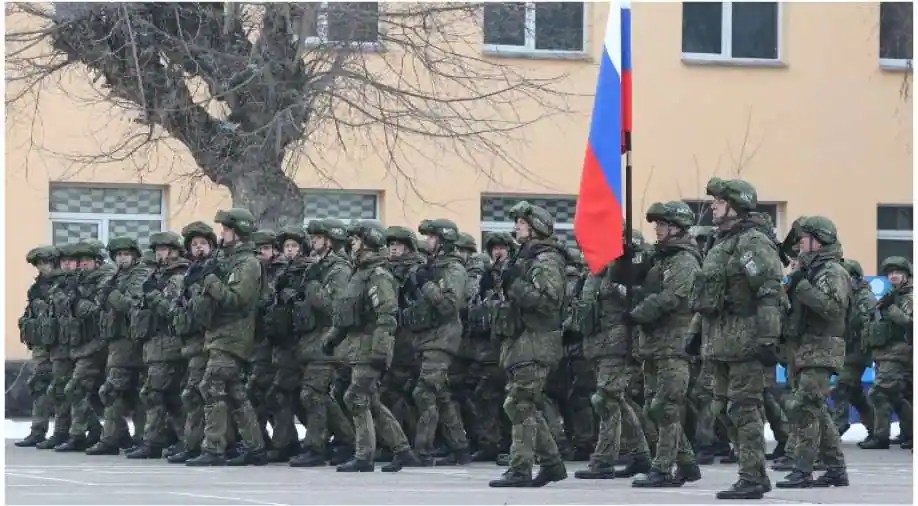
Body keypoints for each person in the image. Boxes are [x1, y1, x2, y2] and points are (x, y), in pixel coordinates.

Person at [685, 177, 785, 500]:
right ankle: (750, 472)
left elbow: (769, 291)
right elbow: (708, 296)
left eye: (719, 201)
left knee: (744, 409)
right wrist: (694, 334)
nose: (713, 206)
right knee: (723, 410)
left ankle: (753, 476)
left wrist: (768, 337)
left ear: (735, 205)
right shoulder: (721, 243)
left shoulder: (751, 242)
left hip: (745, 342)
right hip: (720, 342)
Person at [320, 220, 420, 472]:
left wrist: (380, 350)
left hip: (370, 347)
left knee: (355, 397)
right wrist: (332, 338)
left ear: (368, 242)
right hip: (357, 347)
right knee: (370, 401)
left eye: (355, 240)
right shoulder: (359, 274)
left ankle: (364, 456)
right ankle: (402, 450)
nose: (351, 244)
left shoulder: (378, 275)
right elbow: (345, 315)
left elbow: (387, 315)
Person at [488, 201, 567, 488]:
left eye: (521, 223)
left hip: (537, 342)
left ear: (536, 227)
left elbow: (548, 302)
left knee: (520, 403)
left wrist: (515, 285)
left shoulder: (546, 259)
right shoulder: (524, 257)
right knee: (522, 405)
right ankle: (552, 464)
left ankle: (520, 468)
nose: (516, 227)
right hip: (521, 342)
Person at [186, 208, 267, 466]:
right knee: (235, 393)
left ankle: (214, 448)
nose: (222, 234)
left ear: (239, 232)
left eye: (227, 229)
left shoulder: (248, 264)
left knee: (211, 387)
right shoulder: (228, 260)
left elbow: (236, 299)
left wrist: (209, 279)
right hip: (220, 334)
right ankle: (255, 448)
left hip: (233, 336)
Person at [631, 201, 702, 487]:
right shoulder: (660, 258)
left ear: (677, 227)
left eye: (662, 224)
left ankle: (662, 468)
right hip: (654, 344)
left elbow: (672, 297)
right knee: (653, 407)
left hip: (675, 344)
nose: (657, 229)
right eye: (657, 224)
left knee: (667, 407)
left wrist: (638, 311)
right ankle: (686, 463)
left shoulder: (684, 260)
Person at [573, 231, 652, 480]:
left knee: (605, 398)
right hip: (598, 344)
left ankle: (604, 460)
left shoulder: (622, 266)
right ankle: (641, 455)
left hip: (618, 342)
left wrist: (624, 271)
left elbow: (638, 298)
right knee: (616, 398)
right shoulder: (593, 271)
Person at [777, 216, 849, 488]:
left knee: (804, 407)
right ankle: (836, 470)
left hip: (823, 347)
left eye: (805, 239)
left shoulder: (832, 271)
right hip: (805, 348)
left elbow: (833, 308)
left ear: (819, 241)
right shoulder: (808, 271)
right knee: (817, 409)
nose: (800, 244)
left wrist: (802, 286)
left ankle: (803, 469)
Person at [404, 219, 470, 465]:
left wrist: (427, 285)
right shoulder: (433, 266)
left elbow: (449, 305)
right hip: (428, 339)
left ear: (443, 241)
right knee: (440, 395)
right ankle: (460, 448)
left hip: (443, 339)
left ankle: (422, 450)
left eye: (432, 237)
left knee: (424, 393)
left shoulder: (454, 268)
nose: (428, 241)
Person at [87, 237, 151, 455]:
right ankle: (118, 437)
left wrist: (111, 294)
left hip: (132, 342)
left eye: (126, 254)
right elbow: (100, 305)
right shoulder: (116, 277)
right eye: (119, 255)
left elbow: (129, 304)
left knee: (127, 392)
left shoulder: (140, 274)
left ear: (135, 256)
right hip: (117, 343)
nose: (122, 258)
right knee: (116, 392)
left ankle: (133, 437)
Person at [128, 232, 189, 459]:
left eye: (164, 249)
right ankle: (182, 440)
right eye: (158, 250)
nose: (160, 254)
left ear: (175, 251)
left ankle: (154, 442)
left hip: (169, 344)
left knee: (154, 393)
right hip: (154, 344)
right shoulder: (156, 275)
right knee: (168, 397)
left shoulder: (178, 276)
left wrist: (152, 295)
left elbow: (170, 310)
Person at [167, 222, 219, 463]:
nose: (199, 248)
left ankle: (205, 444)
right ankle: (193, 443)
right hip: (191, 342)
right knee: (193, 394)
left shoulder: (215, 269)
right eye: (195, 244)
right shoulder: (190, 272)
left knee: (201, 394)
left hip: (208, 341)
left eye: (203, 244)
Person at [56, 241, 113, 452]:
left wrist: (78, 300)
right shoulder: (79, 281)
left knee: (75, 388)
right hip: (83, 344)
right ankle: (106, 432)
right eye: (80, 261)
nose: (82, 264)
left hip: (99, 343)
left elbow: (98, 308)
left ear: (98, 261)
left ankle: (79, 434)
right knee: (89, 392)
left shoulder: (106, 278)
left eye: (87, 260)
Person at [861, 256, 913, 450]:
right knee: (899, 395)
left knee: (880, 392)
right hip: (888, 352)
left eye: (898, 272)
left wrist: (891, 308)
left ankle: (880, 436)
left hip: (900, 352)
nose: (893, 276)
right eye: (890, 273)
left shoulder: (908, 296)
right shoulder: (894, 294)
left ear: (906, 275)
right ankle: (910, 433)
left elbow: (910, 322)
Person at [15, 246, 60, 448]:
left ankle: (67, 432)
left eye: (46, 263)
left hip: (60, 346)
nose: (43, 267)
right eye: (39, 264)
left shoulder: (63, 285)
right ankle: (38, 430)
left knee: (63, 389)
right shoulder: (36, 288)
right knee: (39, 385)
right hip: (41, 345)